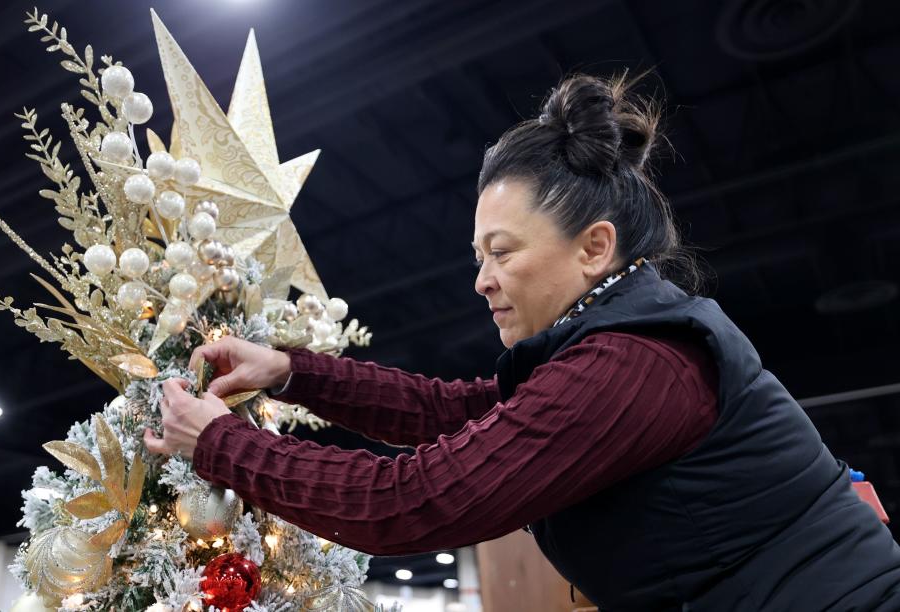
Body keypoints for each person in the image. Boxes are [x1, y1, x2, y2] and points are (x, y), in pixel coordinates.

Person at [144, 72, 900, 610]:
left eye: (501, 253)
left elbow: (410, 503)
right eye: (478, 257)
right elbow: (459, 411)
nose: (482, 280)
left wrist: (221, 445)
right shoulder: (616, 340)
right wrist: (288, 372)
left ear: (593, 248)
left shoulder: (631, 365)